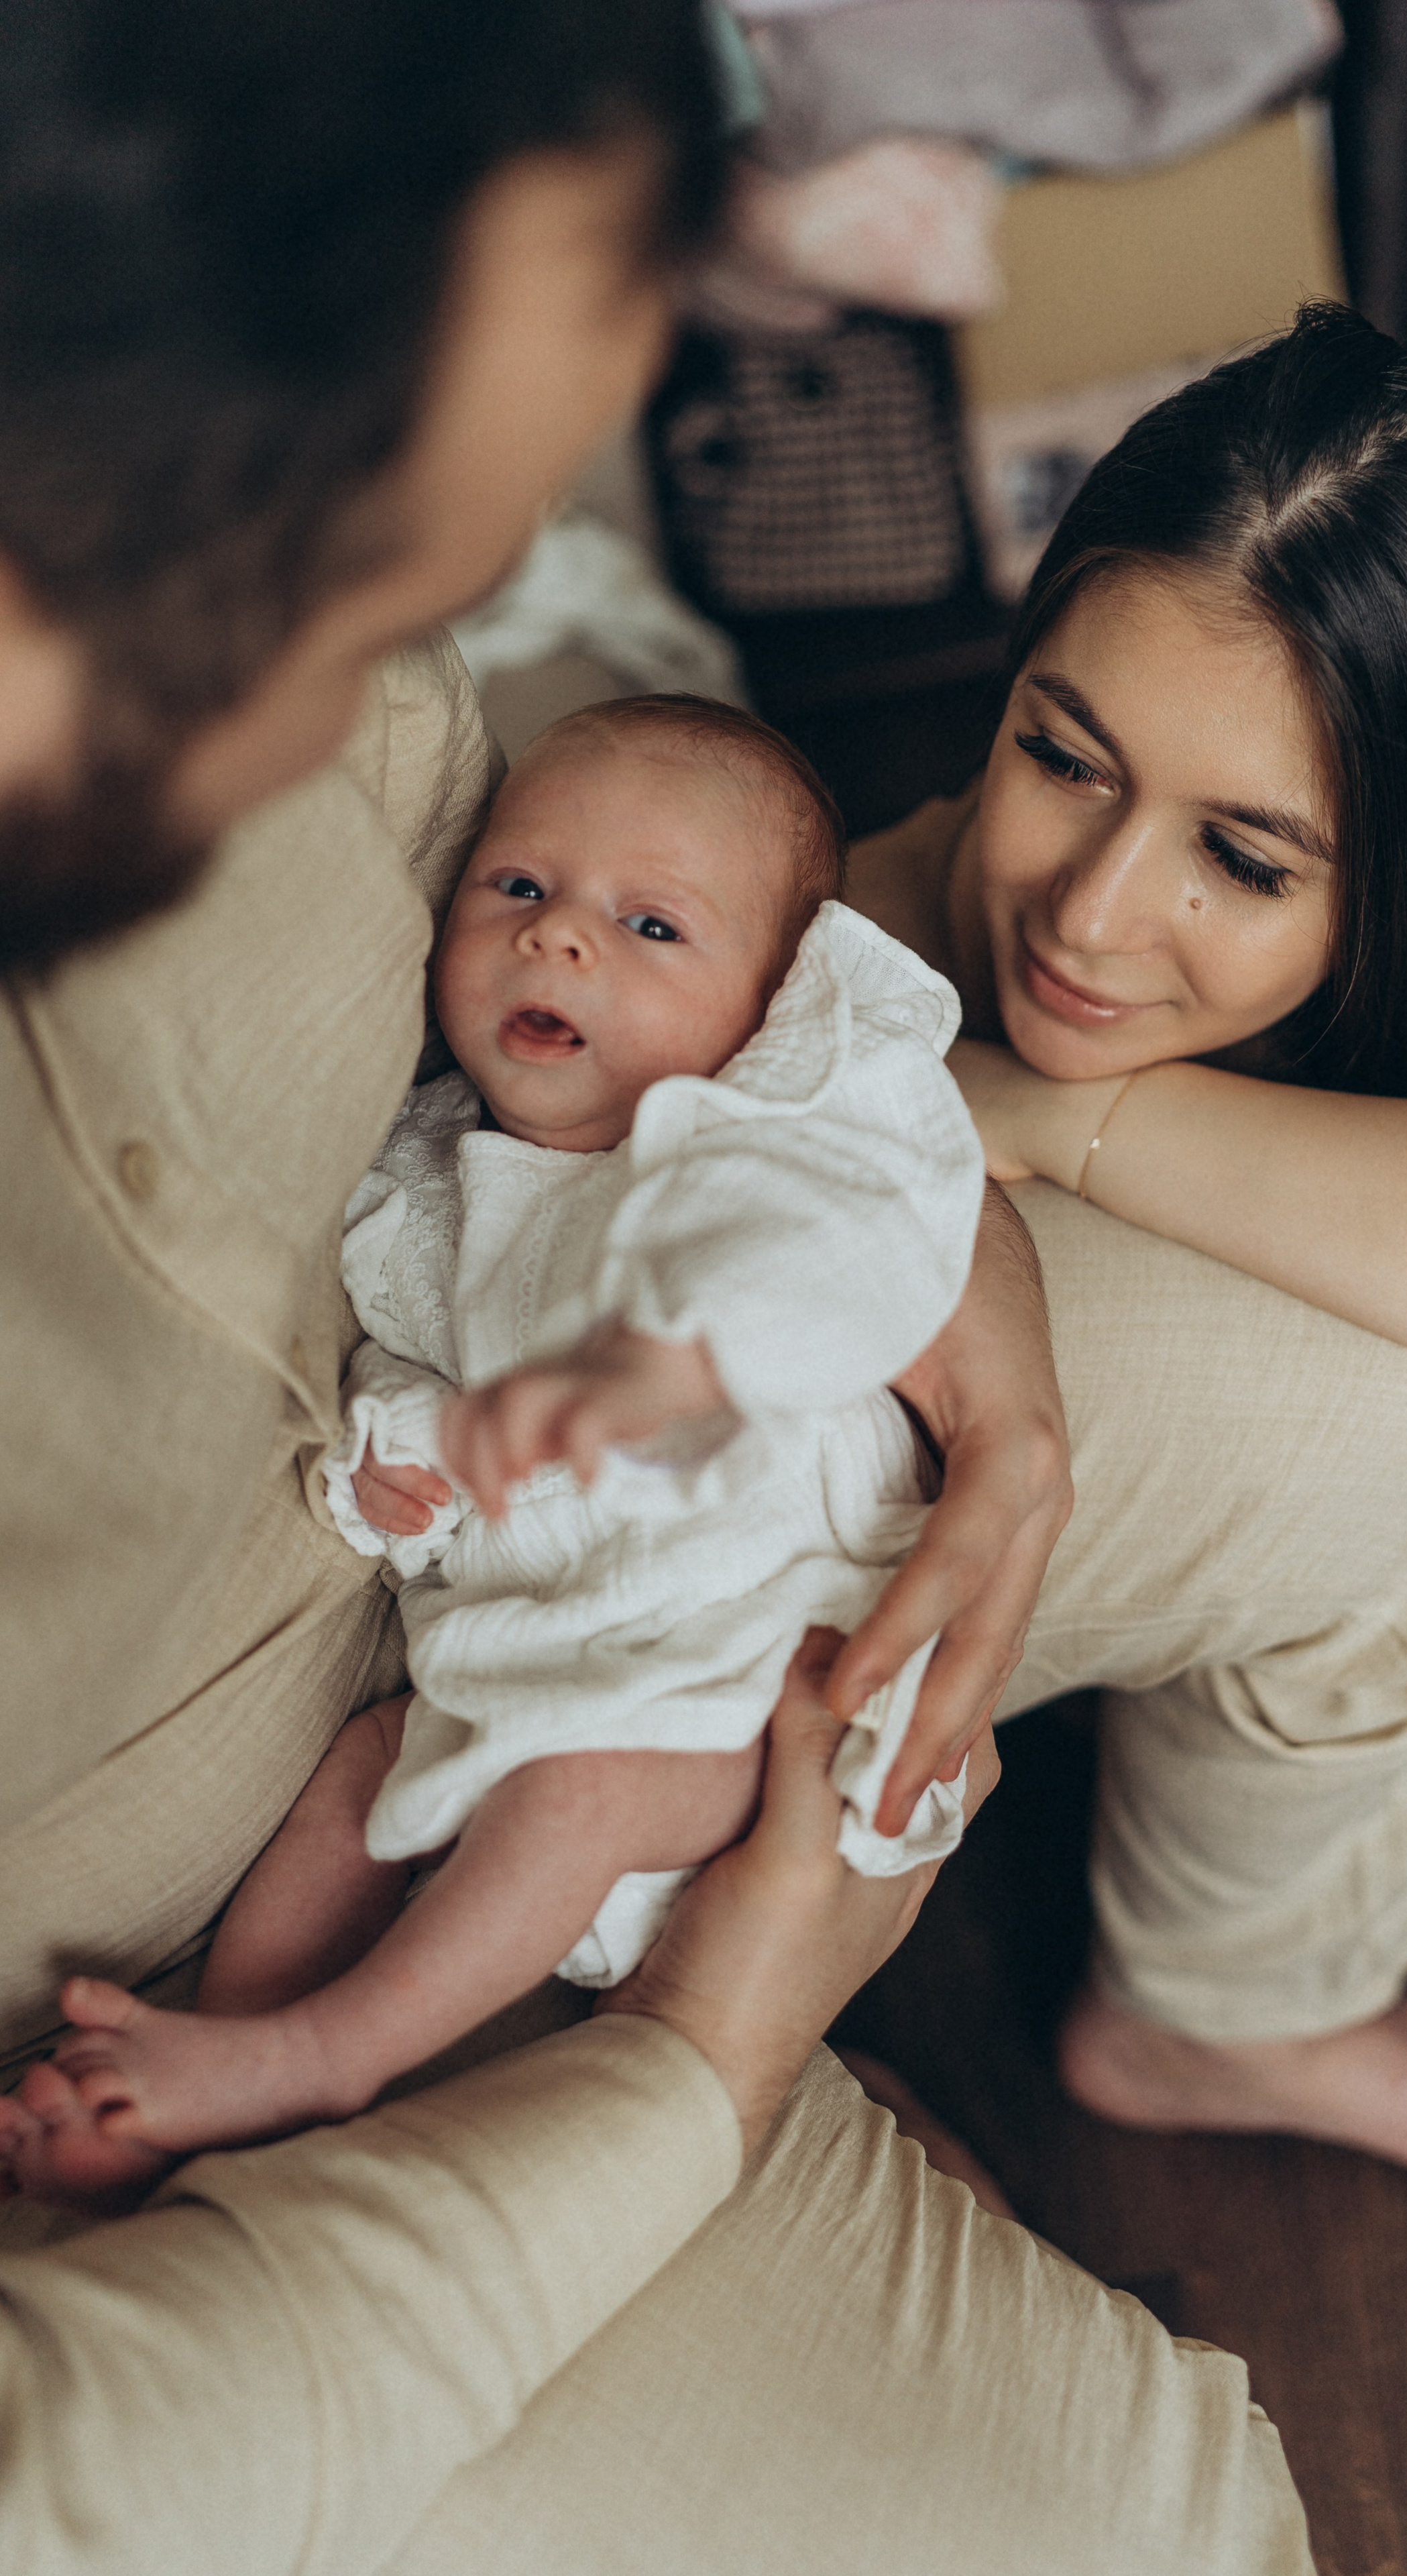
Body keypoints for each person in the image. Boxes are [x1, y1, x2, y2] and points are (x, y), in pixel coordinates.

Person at [1, 6, 1318, 2571]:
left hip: (556, 1616)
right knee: (1172, 2520)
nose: (404, 709)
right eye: (368, 574)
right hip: (211, 2058)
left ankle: (1245, 2000)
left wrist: (1003, 1404)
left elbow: (817, 1131)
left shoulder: (402, 775)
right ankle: (295, 2065)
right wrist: (715, 2046)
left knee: (1405, 1427)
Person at [847, 305, 1407, 2196]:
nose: (1087, 912)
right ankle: (1223, 2011)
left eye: (1243, 860)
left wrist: (1082, 1116)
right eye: (1063, 755)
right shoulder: (855, 966)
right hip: (815, 1470)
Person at [19, 692, 987, 2190]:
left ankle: (328, 2051)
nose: (559, 940)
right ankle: (210, 2066)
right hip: (521, 1664)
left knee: (576, 1784)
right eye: (518, 889)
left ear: (774, 1001)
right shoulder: (422, 1181)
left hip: (758, 1694)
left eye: (651, 926)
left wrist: (668, 1353)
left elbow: (866, 1259)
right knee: (364, 1775)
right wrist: (392, 1465)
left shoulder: (773, 1144)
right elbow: (393, 1364)